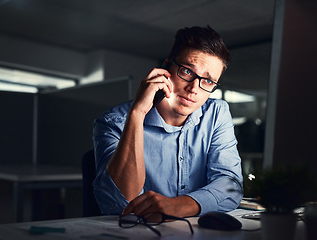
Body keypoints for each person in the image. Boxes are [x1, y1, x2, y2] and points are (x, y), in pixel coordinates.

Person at [92, 26, 243, 218]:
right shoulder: (113, 122)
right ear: (166, 69)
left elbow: (230, 186)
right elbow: (119, 201)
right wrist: (137, 113)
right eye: (187, 71)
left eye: (208, 81)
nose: (194, 88)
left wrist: (178, 206)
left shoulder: (216, 114)